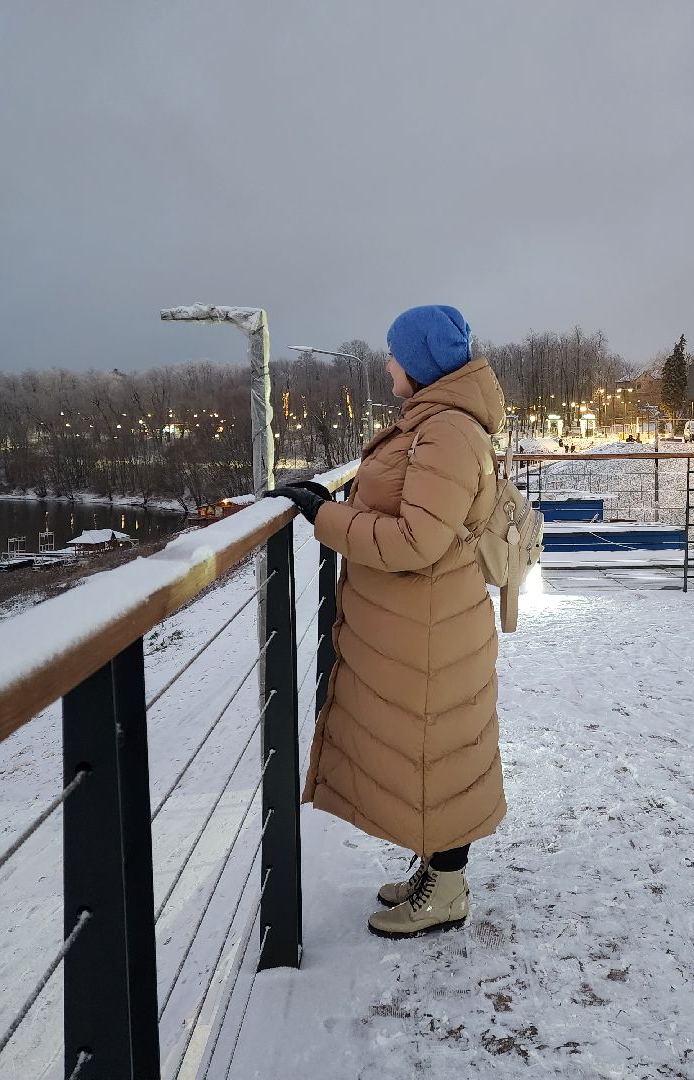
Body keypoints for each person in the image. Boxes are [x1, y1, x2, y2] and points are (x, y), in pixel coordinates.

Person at [263, 305, 506, 940]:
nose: (387, 362)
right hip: (426, 626)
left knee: (439, 755)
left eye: (394, 353)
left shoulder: (447, 431)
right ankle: (436, 870)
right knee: (431, 754)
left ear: (421, 362)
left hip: (432, 629)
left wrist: (325, 518)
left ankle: (446, 888)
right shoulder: (435, 423)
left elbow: (415, 539)